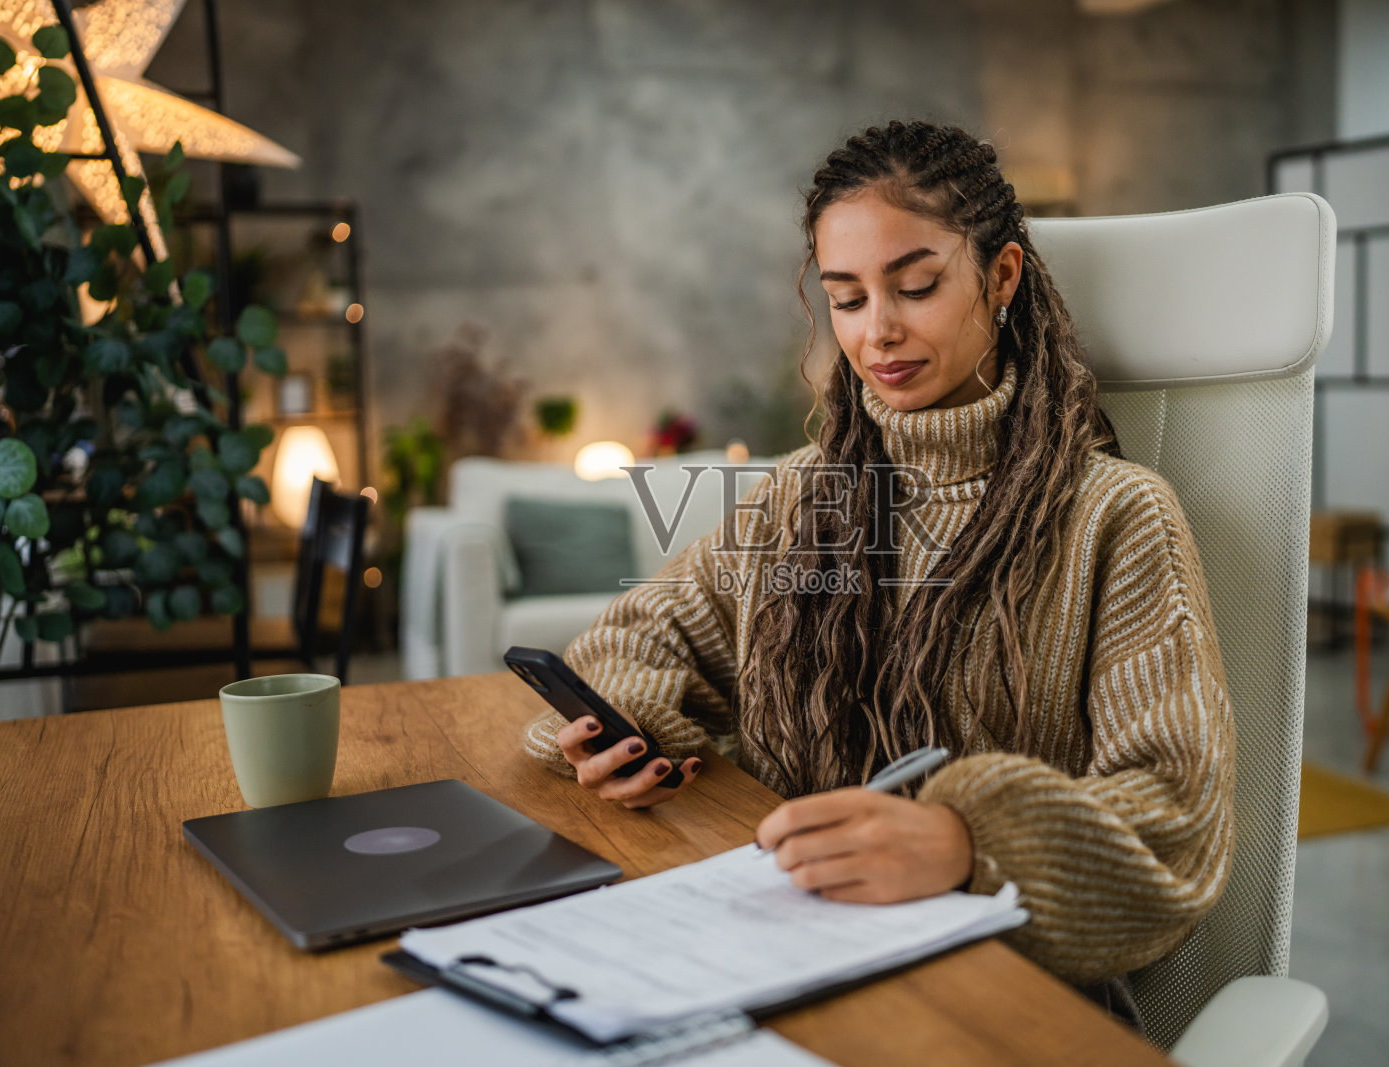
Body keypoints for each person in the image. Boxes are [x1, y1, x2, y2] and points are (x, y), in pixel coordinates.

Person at [527, 120, 1234, 1033]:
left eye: (917, 286)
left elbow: (1175, 820)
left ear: (1002, 277)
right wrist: (627, 729)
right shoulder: (801, 493)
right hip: (783, 954)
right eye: (847, 299)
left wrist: (967, 842)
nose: (878, 332)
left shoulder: (1116, 515)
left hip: (997, 1000)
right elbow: (637, 635)